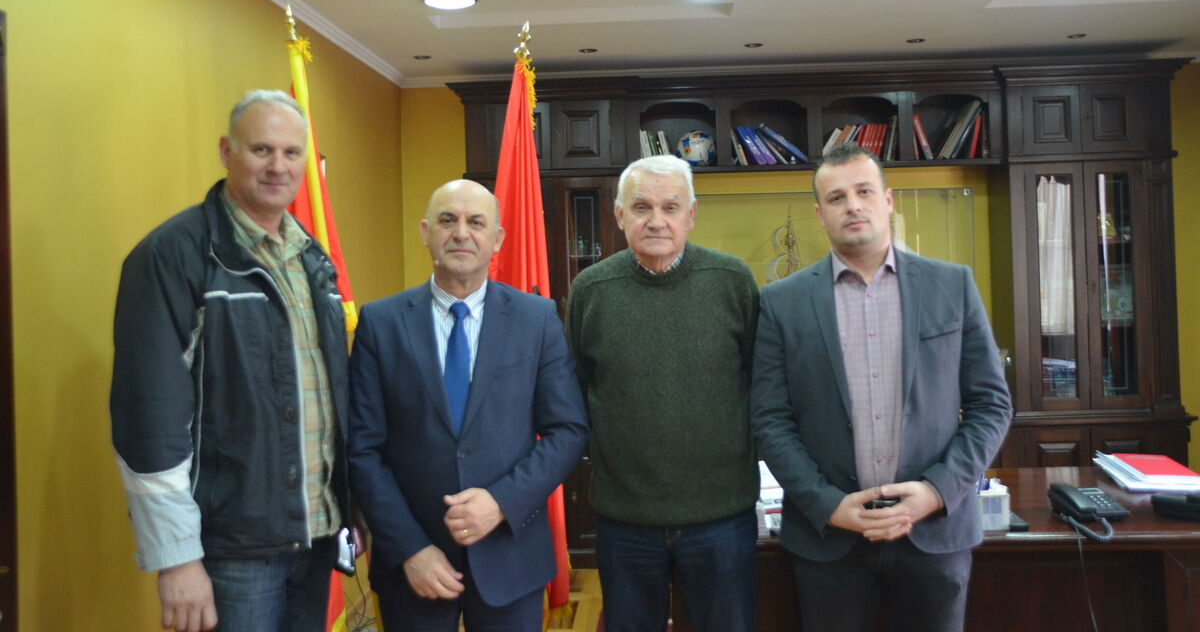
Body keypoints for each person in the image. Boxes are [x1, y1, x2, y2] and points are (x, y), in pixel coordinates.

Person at [111, 90, 356, 632]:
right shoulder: (173, 256)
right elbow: (149, 418)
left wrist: (353, 511)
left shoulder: (312, 259)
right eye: (261, 149)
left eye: (291, 153)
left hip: (316, 536)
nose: (278, 167)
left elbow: (332, 399)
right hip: (231, 550)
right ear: (227, 151)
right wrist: (177, 556)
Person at [751, 142, 1013, 632]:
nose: (852, 205)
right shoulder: (781, 303)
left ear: (887, 200)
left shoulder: (952, 285)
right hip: (829, 541)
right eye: (836, 197)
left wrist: (936, 491)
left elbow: (991, 405)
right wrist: (828, 505)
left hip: (933, 533)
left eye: (864, 191)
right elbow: (770, 420)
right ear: (820, 214)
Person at [347, 179, 588, 632]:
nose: (461, 233)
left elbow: (568, 431)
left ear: (497, 239)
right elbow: (362, 448)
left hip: (510, 555)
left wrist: (501, 502)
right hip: (413, 565)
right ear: (425, 232)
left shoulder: (536, 319)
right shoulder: (381, 324)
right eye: (447, 220)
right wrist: (409, 548)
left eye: (476, 222)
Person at [564, 154, 760, 632]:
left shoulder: (732, 281)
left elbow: (761, 385)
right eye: (641, 207)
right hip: (625, 521)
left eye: (670, 207)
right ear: (619, 215)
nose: (656, 221)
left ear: (691, 215)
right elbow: (575, 391)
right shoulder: (592, 289)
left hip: (721, 519)